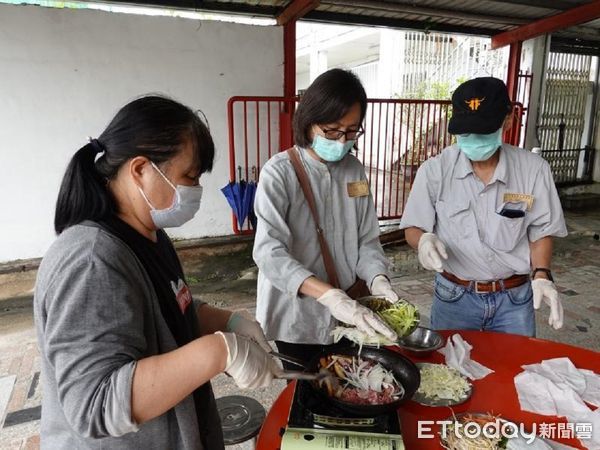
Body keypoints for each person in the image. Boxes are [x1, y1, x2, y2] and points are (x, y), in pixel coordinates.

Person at [34, 95, 280, 449]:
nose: (195, 190)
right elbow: (95, 405)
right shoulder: (91, 260)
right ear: (140, 170)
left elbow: (166, 309)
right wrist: (220, 351)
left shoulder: (147, 233)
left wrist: (228, 321)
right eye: (188, 177)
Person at [253, 69, 398, 368]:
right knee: (307, 393)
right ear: (308, 123)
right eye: (332, 130)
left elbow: (366, 239)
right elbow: (269, 253)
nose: (342, 140)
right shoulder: (278, 173)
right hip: (297, 315)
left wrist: (378, 279)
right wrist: (330, 296)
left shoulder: (354, 171)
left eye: (352, 131)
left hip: (351, 309)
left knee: (354, 387)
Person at [400, 77, 567, 337]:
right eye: (466, 133)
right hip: (453, 296)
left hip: (514, 299)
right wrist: (423, 241)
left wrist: (542, 275)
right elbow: (414, 226)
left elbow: (540, 231)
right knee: (449, 373)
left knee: (516, 370)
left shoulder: (534, 170)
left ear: (507, 120)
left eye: (483, 130)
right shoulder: (435, 170)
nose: (474, 140)